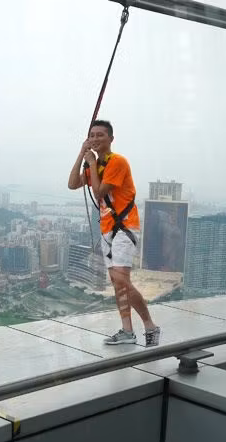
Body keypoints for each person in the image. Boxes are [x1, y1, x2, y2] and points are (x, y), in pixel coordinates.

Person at [67, 119, 161, 346]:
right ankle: (128, 330)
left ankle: (150, 325)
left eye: (100, 135)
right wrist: (82, 155)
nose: (96, 139)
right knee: (118, 283)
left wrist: (90, 161)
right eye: (92, 135)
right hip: (108, 230)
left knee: (121, 280)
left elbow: (99, 192)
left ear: (111, 138)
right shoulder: (96, 166)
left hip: (124, 227)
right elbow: (72, 184)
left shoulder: (117, 162)